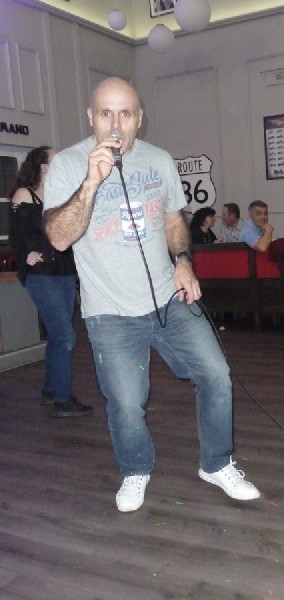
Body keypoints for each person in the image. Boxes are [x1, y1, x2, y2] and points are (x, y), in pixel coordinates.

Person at [43, 76, 260, 512]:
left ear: (140, 118)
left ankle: (217, 463)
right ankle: (135, 469)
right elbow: (59, 238)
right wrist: (91, 182)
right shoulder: (68, 164)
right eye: (106, 113)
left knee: (216, 375)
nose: (115, 125)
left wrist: (183, 260)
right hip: (110, 311)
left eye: (125, 114)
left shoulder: (159, 160)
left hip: (168, 299)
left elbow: (174, 219)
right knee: (126, 402)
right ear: (91, 117)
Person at [9, 146, 93, 418]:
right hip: (41, 272)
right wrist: (25, 255)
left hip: (65, 270)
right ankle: (62, 400)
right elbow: (16, 234)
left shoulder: (60, 194)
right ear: (43, 166)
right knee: (65, 335)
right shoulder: (25, 195)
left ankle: (50, 390)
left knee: (59, 334)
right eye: (55, 159)